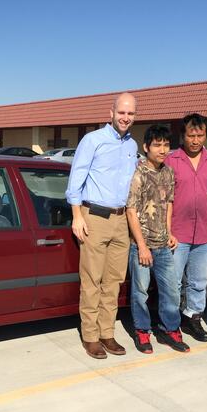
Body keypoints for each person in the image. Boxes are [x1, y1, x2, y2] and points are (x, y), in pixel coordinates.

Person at [66, 93, 138, 359]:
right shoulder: (93, 140)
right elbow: (76, 179)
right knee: (92, 280)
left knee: (114, 281)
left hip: (122, 220)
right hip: (94, 217)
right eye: (122, 112)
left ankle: (107, 332)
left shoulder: (132, 145)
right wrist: (77, 215)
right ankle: (91, 336)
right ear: (111, 112)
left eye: (130, 114)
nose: (125, 118)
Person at [127, 124, 190, 354]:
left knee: (171, 290)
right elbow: (131, 211)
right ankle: (142, 330)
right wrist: (142, 246)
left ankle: (169, 329)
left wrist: (169, 232)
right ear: (146, 147)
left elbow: (168, 204)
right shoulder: (139, 174)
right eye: (157, 145)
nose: (162, 150)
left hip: (163, 245)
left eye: (166, 145)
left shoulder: (168, 172)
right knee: (140, 292)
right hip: (141, 246)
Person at [165, 114, 207, 342]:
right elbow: (165, 200)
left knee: (199, 281)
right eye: (191, 135)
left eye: (200, 135)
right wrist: (167, 231)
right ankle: (170, 322)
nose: (195, 140)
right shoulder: (172, 161)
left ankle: (193, 318)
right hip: (178, 234)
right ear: (183, 135)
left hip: (205, 234)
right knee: (174, 281)